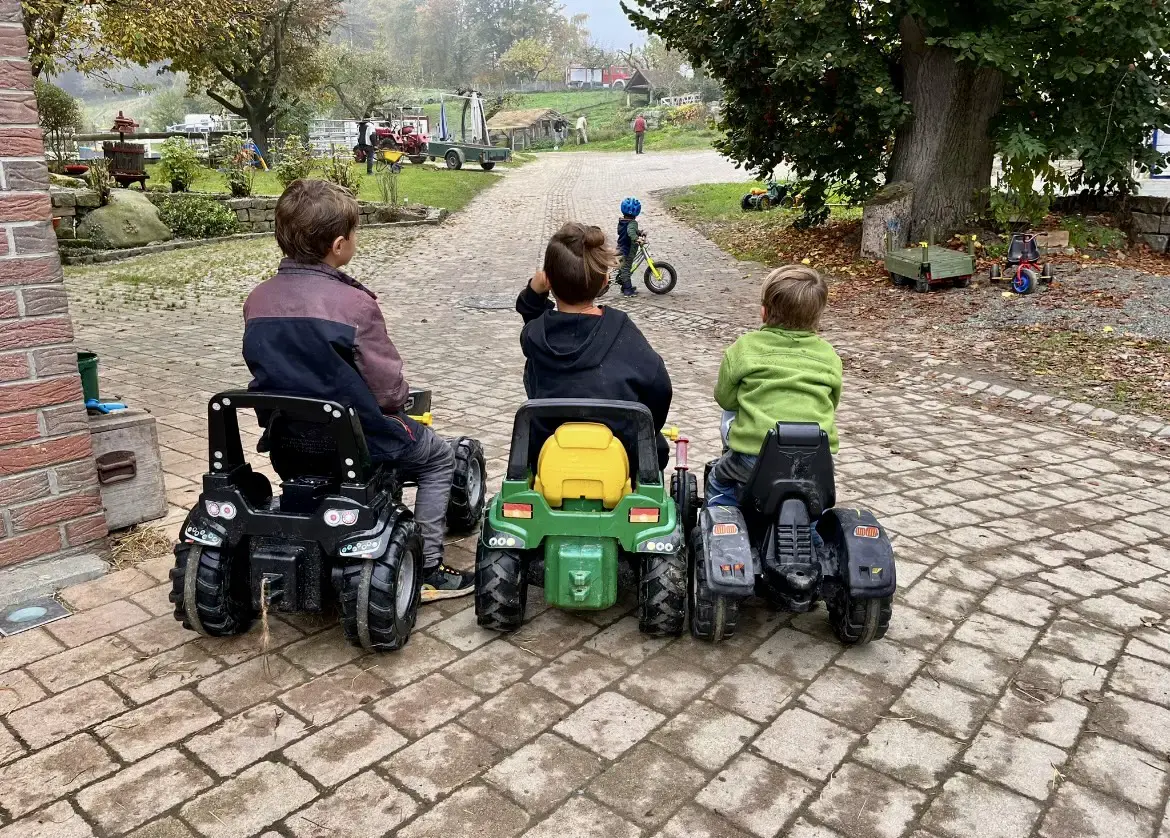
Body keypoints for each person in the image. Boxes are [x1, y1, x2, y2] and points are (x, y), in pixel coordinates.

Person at [242, 179, 474, 601]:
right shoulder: (355, 305)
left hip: (288, 443)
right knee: (439, 458)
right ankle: (429, 567)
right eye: (354, 233)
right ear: (338, 245)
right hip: (360, 442)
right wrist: (402, 396)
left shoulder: (257, 301)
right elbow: (388, 394)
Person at [515, 221, 673, 471]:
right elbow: (659, 386)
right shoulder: (623, 333)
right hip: (618, 455)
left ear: (549, 281)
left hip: (549, 452)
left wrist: (534, 293)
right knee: (657, 445)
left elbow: (531, 317)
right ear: (604, 281)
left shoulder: (536, 334)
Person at [705, 265, 842, 508]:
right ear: (818, 316)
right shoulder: (829, 355)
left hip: (753, 457)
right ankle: (812, 528)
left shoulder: (744, 348)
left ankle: (724, 519)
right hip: (815, 462)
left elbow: (725, 399)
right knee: (812, 503)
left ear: (764, 311)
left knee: (718, 479)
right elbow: (832, 401)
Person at [616, 196, 643, 297]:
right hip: (627, 250)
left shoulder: (622, 222)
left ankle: (624, 286)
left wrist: (639, 232)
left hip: (621, 247)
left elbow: (625, 230)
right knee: (626, 269)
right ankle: (627, 290)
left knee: (623, 268)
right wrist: (637, 238)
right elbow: (630, 231)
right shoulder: (632, 223)